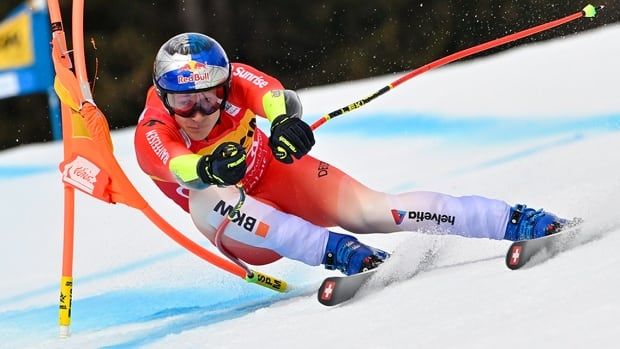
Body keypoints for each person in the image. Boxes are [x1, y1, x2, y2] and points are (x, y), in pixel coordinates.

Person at [134, 32, 570, 276]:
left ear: (224, 87)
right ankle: (339, 252)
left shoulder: (236, 79)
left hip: (279, 178)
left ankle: (511, 219)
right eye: (183, 102)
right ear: (163, 95)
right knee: (208, 195)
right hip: (247, 231)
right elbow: (172, 164)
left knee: (376, 209)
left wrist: (285, 122)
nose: (197, 114)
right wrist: (208, 166)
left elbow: (274, 97)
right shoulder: (154, 127)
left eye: (209, 99)